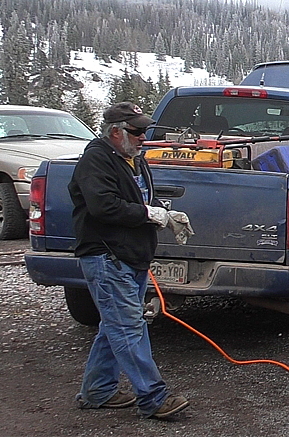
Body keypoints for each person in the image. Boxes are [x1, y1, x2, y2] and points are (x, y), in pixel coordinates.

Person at [70, 102, 192, 420]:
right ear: (115, 132)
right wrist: (151, 214)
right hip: (108, 258)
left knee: (114, 328)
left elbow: (143, 200)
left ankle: (98, 390)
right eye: (137, 131)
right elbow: (104, 207)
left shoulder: (133, 160)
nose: (143, 137)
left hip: (131, 259)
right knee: (127, 329)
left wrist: (165, 213)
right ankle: (153, 397)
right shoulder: (95, 160)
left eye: (144, 131)